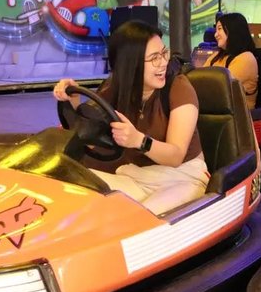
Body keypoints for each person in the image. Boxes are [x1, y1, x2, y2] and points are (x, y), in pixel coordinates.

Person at [53, 20, 208, 215]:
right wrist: (73, 101)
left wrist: (139, 140)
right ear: (130, 63)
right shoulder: (116, 89)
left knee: (140, 220)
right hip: (135, 175)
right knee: (70, 190)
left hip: (183, 177)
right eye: (154, 58)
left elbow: (175, 156)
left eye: (163, 53)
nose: (163, 63)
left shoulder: (179, 88)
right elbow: (89, 138)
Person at [202, 12, 259, 110]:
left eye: (219, 29)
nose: (216, 35)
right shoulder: (217, 56)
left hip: (237, 117)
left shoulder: (246, 58)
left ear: (232, 30)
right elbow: (200, 77)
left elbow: (221, 86)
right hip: (215, 110)